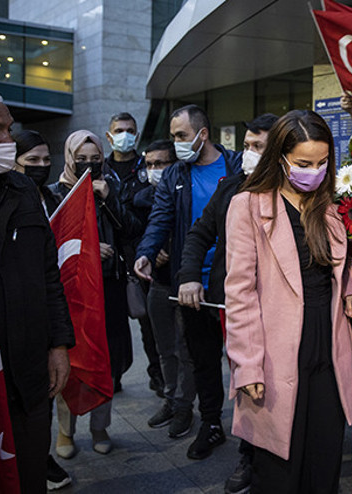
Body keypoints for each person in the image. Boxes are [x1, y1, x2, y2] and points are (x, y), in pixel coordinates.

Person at [224, 109, 352, 494]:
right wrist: (247, 365)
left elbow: (339, 264)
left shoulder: (329, 206)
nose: (313, 171)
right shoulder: (248, 206)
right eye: (303, 163)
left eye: (321, 163)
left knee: (324, 462)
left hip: (328, 345)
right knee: (280, 469)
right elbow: (239, 293)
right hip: (275, 349)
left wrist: (351, 284)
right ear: (280, 158)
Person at [0, 86, 74, 492]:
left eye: (10, 130)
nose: (9, 142)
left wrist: (58, 345)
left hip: (29, 375)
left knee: (28, 477)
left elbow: (48, 273)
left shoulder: (24, 192)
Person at [134, 104, 242, 460]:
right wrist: (147, 250)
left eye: (181, 136)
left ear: (203, 134)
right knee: (203, 358)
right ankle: (211, 423)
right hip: (193, 283)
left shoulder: (237, 167)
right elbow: (160, 218)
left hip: (238, 282)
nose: (177, 143)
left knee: (246, 361)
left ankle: (256, 437)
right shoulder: (174, 175)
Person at [177, 113, 278, 494]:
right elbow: (200, 233)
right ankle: (236, 444)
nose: (248, 154)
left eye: (257, 147)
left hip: (277, 308)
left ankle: (267, 453)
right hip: (231, 305)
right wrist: (189, 276)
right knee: (240, 377)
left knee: (269, 382)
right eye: (246, 145)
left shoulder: (292, 192)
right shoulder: (230, 188)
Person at [52, 130, 140, 457]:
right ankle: (66, 431)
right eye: (81, 158)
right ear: (69, 157)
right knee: (71, 362)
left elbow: (132, 229)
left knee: (105, 360)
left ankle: (100, 426)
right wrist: (87, 249)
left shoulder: (111, 188)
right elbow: (53, 240)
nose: (88, 164)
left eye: (95, 159)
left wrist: (109, 200)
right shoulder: (54, 193)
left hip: (109, 288)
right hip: (71, 292)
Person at [13, 128, 73, 490]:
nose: (39, 167)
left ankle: (41, 456)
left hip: (46, 316)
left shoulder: (51, 198)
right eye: (30, 161)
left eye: (45, 160)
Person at [136, 140, 198, 440]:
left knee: (187, 349)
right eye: (149, 165)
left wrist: (174, 249)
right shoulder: (139, 197)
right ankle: (171, 400)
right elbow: (138, 231)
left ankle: (185, 406)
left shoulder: (185, 191)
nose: (154, 170)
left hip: (184, 282)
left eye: (160, 164)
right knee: (164, 349)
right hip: (157, 283)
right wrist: (149, 250)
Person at [104, 112, 165, 398]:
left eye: (129, 130)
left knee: (149, 321)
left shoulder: (148, 167)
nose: (124, 135)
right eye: (119, 130)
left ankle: (158, 375)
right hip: (111, 257)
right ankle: (114, 374)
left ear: (137, 134)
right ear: (109, 135)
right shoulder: (101, 169)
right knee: (113, 322)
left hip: (142, 254)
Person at [13, 129, 61, 217]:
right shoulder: (3, 203)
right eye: (33, 159)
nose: (42, 165)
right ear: (14, 163)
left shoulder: (56, 200)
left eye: (46, 159)